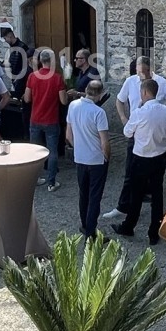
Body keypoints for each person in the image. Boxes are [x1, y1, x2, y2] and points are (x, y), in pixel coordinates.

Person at [103, 57, 166, 223]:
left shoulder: (161, 83)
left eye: (142, 72)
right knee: (130, 173)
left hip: (154, 136)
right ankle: (124, 206)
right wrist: (124, 118)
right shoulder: (130, 81)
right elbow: (120, 100)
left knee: (154, 178)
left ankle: (146, 215)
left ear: (149, 70)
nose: (139, 76)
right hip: (136, 131)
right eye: (137, 72)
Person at [111, 77, 166, 245]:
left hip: (141, 157)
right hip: (159, 157)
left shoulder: (139, 112)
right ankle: (154, 232)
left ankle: (129, 226)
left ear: (145, 92)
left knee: (136, 194)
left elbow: (127, 133)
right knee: (157, 194)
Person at [66, 79, 111, 238]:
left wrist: (78, 148)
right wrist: (106, 157)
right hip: (96, 160)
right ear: (99, 95)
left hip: (80, 157)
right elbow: (104, 141)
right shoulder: (99, 113)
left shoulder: (73, 106)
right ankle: (91, 232)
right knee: (94, 197)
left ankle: (85, 225)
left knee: (83, 194)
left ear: (86, 90)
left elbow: (68, 135)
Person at [24, 50, 67, 191]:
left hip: (35, 118)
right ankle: (51, 182)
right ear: (52, 61)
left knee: (34, 151)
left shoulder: (32, 76)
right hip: (51, 119)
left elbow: (27, 98)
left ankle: (34, 178)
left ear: (40, 61)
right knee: (52, 151)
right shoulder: (57, 78)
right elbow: (63, 101)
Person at [0, 23, 33, 98]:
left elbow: (25, 65)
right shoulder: (12, 48)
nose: (5, 41)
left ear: (10, 36)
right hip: (15, 79)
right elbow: (13, 63)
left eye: (5, 38)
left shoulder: (22, 47)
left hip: (22, 80)